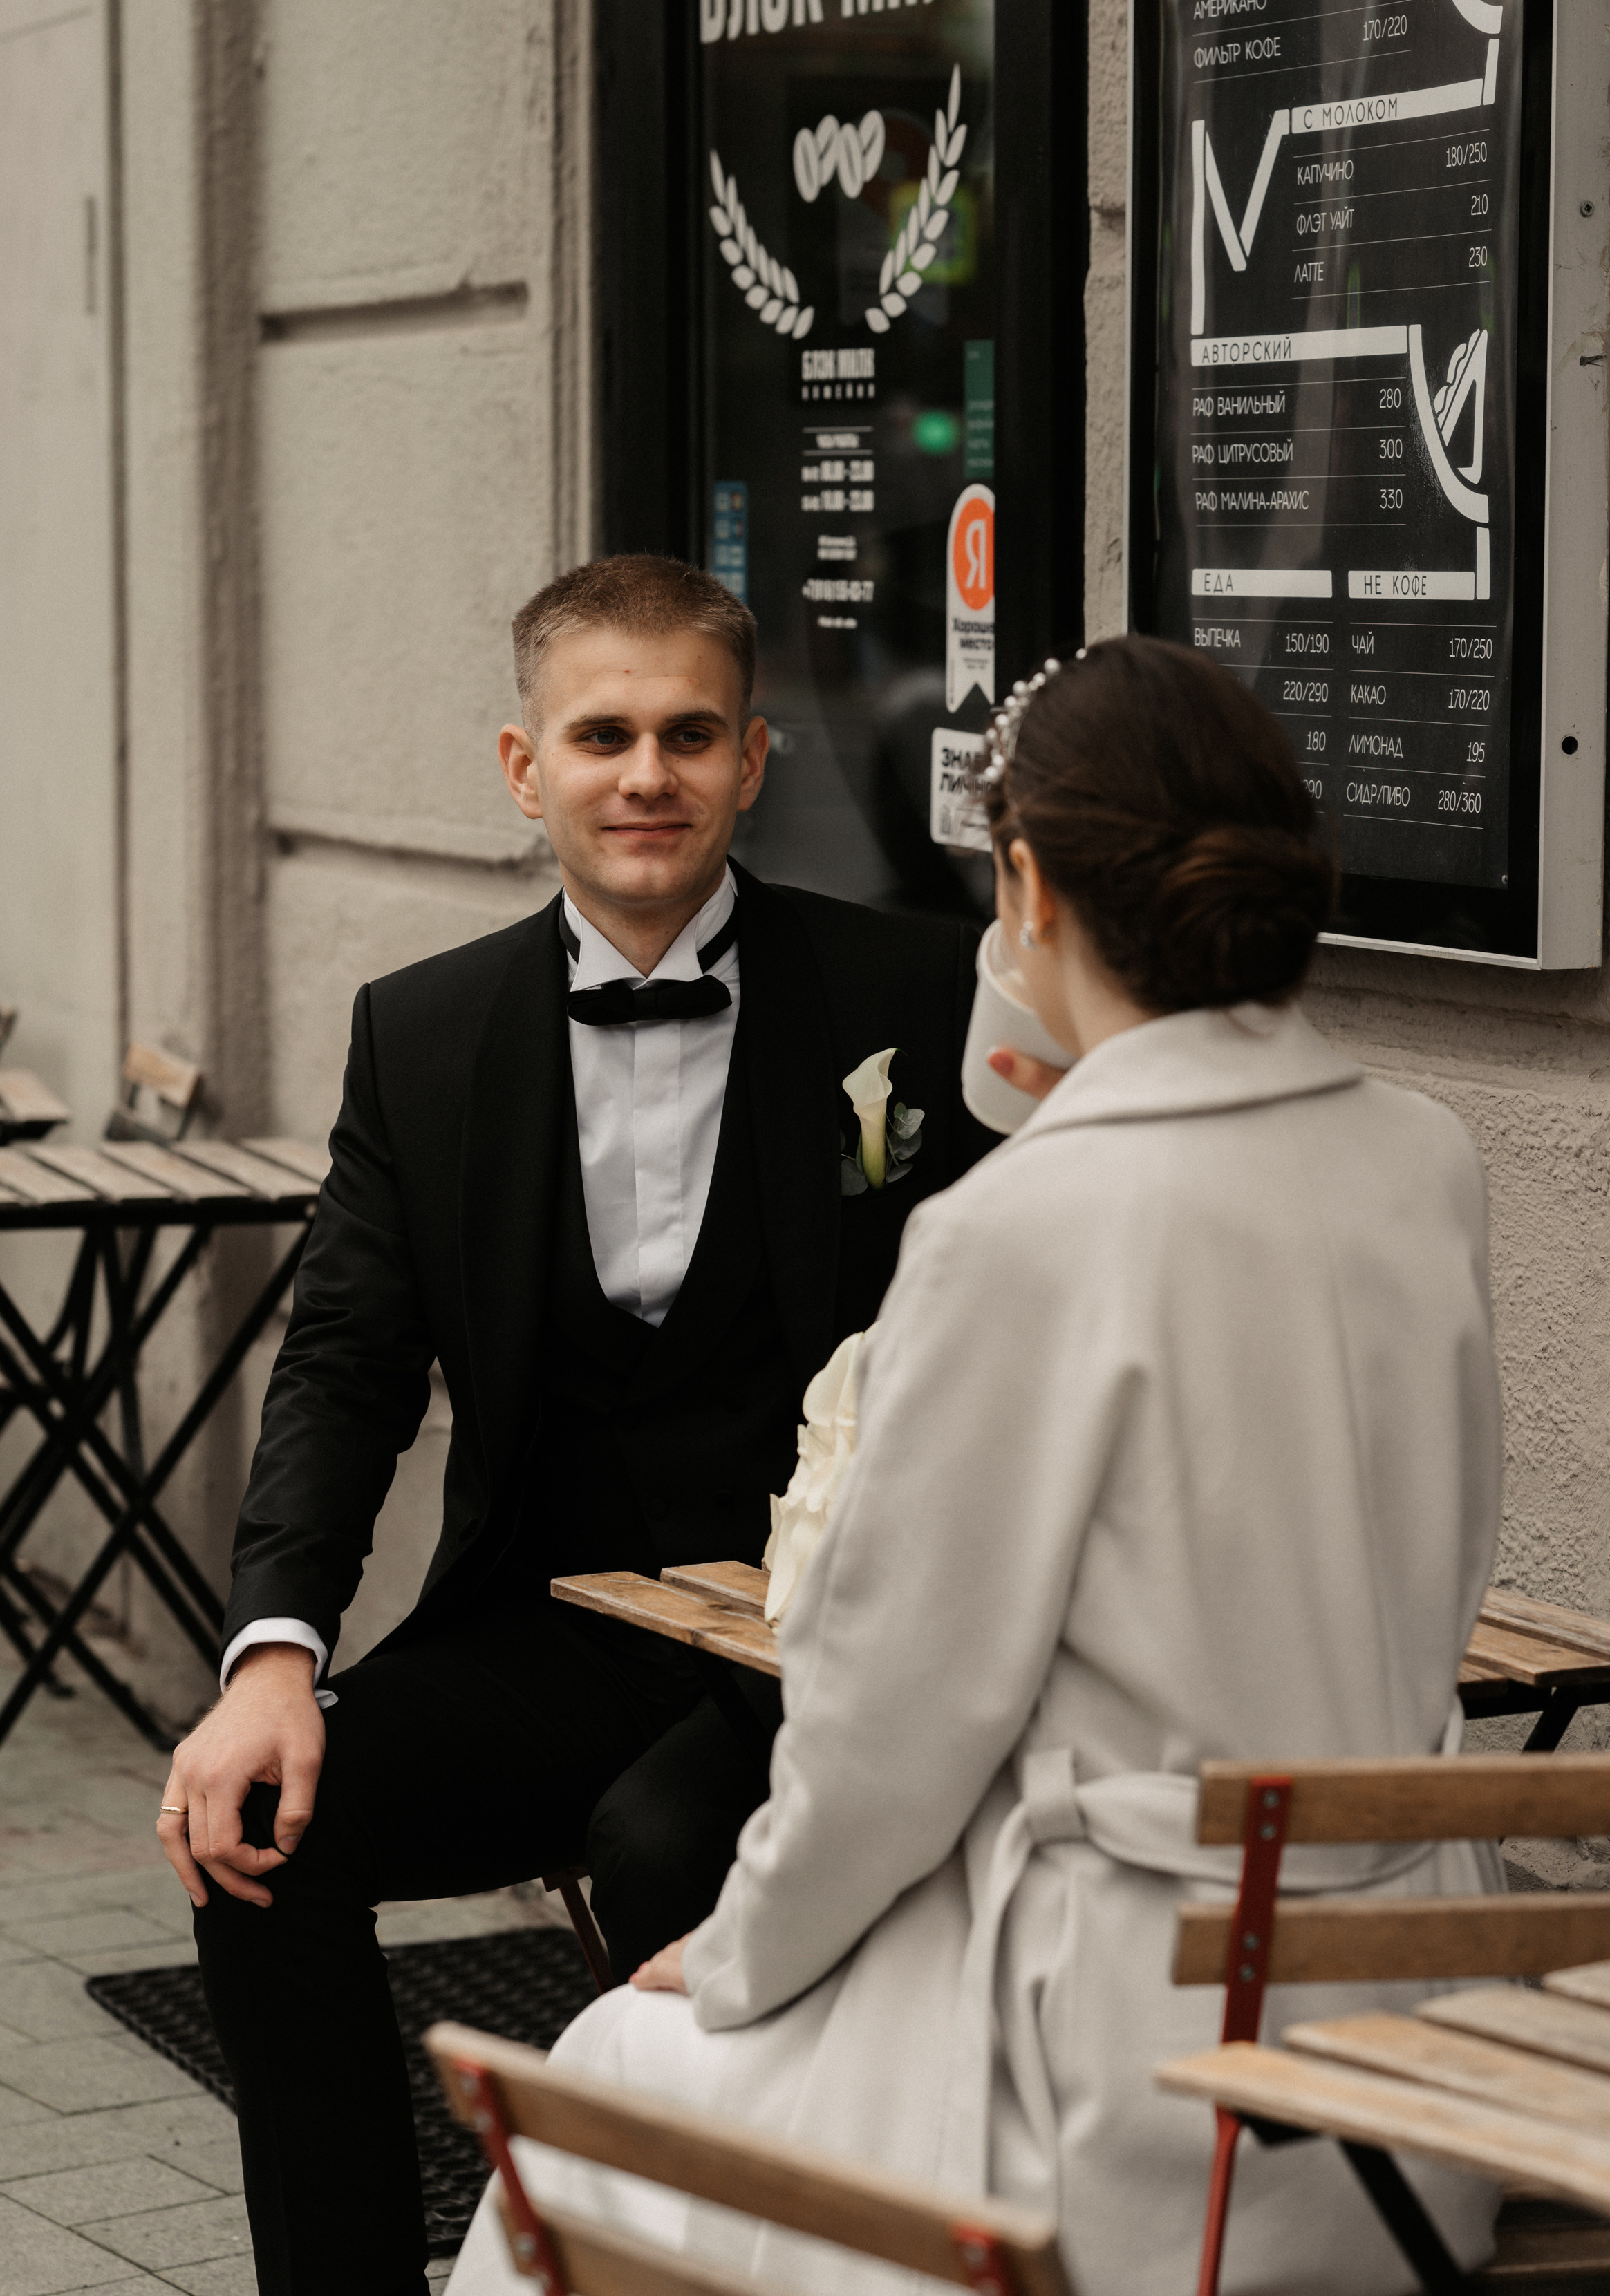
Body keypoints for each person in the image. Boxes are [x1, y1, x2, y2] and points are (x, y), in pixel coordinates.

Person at [449, 636, 1506, 2296]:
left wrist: (734, 1956)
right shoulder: (1420, 1161)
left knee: (594, 2082)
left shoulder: (1021, 1226)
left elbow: (890, 1725)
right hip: (1400, 2081)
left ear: (1025, 884)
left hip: (1109, 2098)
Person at [154, 553, 995, 2296]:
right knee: (259, 1840)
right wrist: (271, 1656)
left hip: (809, 1650)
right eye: (603, 734)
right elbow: (345, 1366)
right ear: (526, 767)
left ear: (754, 761)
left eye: (690, 733)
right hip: (540, 1625)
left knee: (663, 1845)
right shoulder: (427, 1033)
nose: (648, 775)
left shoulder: (915, 997)